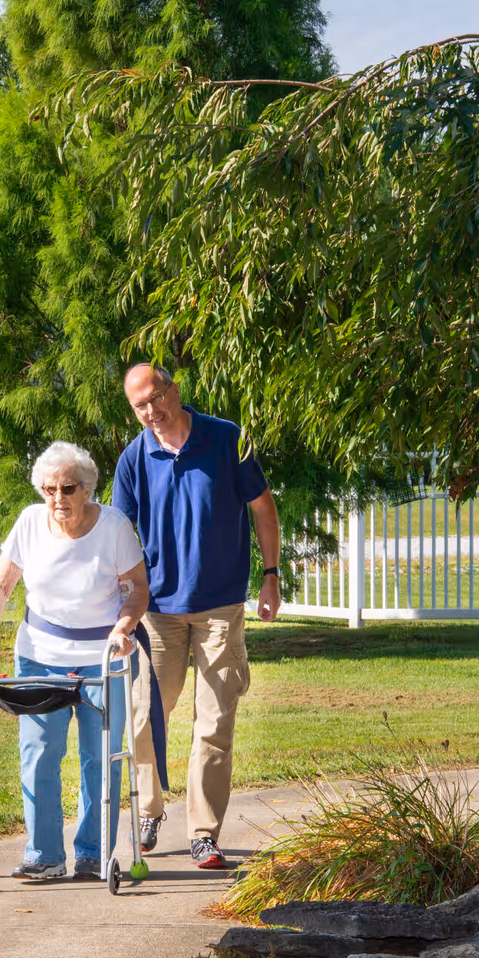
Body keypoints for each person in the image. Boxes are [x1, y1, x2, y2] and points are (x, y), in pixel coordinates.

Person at [113, 364, 281, 871]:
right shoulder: (134, 458)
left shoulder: (227, 439)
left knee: (213, 724)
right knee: (145, 717)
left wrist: (271, 576)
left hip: (220, 610)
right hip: (157, 612)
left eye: (156, 398)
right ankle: (148, 810)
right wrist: (119, 609)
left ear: (175, 390)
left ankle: (203, 834)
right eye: (140, 406)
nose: (151, 411)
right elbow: (120, 538)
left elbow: (263, 508)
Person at [0, 441, 149, 881]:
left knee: (99, 757)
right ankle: (44, 855)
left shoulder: (113, 527)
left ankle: (93, 853)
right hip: (39, 654)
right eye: (48, 489)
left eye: (67, 488)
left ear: (87, 489)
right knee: (39, 752)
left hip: (101, 657)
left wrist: (122, 630)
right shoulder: (30, 523)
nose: (57, 499)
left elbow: (138, 588)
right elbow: (1, 584)